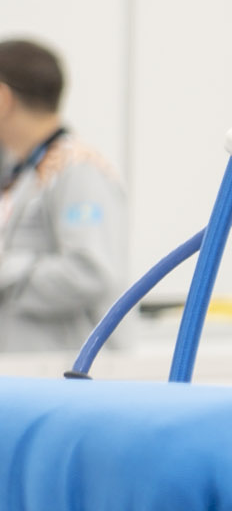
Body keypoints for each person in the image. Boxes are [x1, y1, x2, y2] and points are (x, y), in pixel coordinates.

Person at [0, 38, 127, 359]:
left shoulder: (77, 169)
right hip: (27, 377)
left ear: (3, 99)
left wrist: (7, 272)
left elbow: (90, 272)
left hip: (67, 382)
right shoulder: (21, 171)